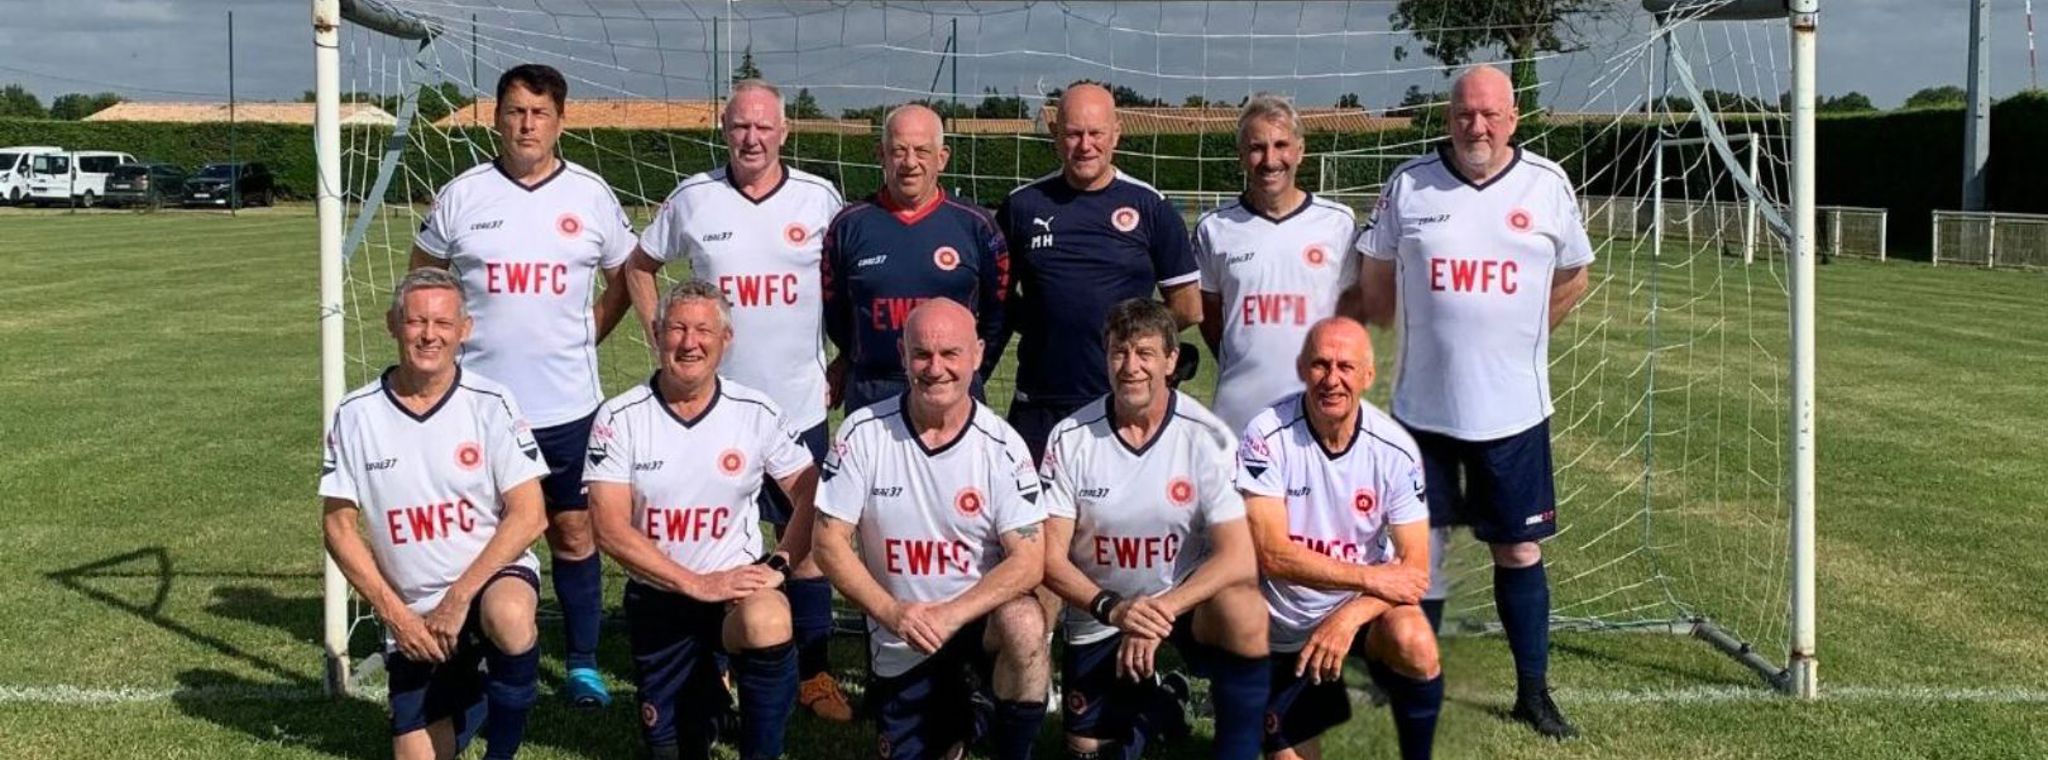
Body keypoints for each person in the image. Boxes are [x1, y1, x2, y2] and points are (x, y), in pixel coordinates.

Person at [1353, 64, 1594, 739]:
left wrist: (1521, 337)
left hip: (1514, 413)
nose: (1476, 126)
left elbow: (1575, 274)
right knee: (1414, 556)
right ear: (1448, 117)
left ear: (1513, 118)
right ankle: (1406, 673)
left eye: (1490, 114)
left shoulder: (1547, 186)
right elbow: (1375, 279)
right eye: (1464, 113)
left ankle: (1534, 693)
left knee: (1517, 551)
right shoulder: (1410, 184)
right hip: (1422, 414)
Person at [624, 78, 853, 722]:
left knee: (802, 546)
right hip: (708, 415)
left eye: (763, 127)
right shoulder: (695, 199)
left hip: (797, 408)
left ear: (784, 132)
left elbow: (850, 283)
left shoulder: (820, 199)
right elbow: (639, 266)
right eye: (739, 127)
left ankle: (811, 673)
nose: (751, 138)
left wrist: (847, 359)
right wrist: (655, 332)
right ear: (724, 130)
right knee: (709, 541)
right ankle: (714, 665)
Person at [409, 63, 634, 707]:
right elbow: (425, 275)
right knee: (480, 534)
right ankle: (474, 649)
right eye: (514, 111)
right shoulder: (463, 195)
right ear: (497, 119)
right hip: (480, 408)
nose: (526, 124)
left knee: (573, 530)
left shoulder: (591, 195)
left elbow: (625, 275)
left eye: (539, 113)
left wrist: (590, 331)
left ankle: (584, 662)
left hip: (568, 405)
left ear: (560, 122)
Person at [587, 280, 822, 760]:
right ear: (656, 333)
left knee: (769, 618)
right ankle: (712, 700)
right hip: (660, 595)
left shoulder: (755, 411)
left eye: (703, 330)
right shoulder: (620, 416)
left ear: (726, 340)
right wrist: (693, 582)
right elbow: (609, 527)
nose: (689, 343)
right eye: (676, 328)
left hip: (734, 593)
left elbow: (812, 491)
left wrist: (779, 564)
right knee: (676, 748)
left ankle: (764, 749)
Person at [320, 268, 548, 760]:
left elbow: (530, 515)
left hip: (488, 582)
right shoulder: (356, 413)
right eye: (416, 321)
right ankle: (478, 691)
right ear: (392, 324)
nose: (429, 335)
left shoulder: (491, 402)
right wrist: (395, 616)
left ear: (464, 330)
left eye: (443, 323)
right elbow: (338, 526)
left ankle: (501, 749)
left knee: (507, 615)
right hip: (415, 614)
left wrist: (460, 597)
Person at [812, 299, 1050, 760]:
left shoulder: (1001, 446)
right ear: (902, 355)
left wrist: (952, 615)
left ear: (978, 354)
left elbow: (1028, 561)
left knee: (1024, 622)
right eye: (922, 354)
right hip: (901, 631)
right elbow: (827, 543)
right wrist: (893, 611)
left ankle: (1007, 743)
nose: (935, 368)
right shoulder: (863, 433)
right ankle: (963, 720)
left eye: (950, 354)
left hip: (974, 627)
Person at [1039, 298, 1271, 760]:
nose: (1131, 367)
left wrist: (1159, 612)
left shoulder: (1208, 437)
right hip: (1101, 607)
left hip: (1183, 604)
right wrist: (1114, 609)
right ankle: (1164, 703)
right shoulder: (1071, 438)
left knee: (1244, 608)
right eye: (1119, 352)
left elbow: (1237, 554)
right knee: (1088, 752)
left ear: (1170, 360)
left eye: (1144, 353)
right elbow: (1048, 555)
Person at [1238, 318, 1441, 760]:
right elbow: (1272, 554)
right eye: (1320, 365)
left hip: (1360, 616)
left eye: (1346, 367)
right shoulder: (1265, 435)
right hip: (1282, 626)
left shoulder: (1396, 450)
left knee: (1416, 641)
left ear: (1368, 376)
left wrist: (1348, 618)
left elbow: (1415, 569)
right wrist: (1370, 579)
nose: (1333, 380)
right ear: (1301, 368)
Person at [998, 82, 1202, 463]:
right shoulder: (1022, 206)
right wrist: (1047, 324)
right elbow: (1000, 300)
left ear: (1116, 134)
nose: (1085, 145)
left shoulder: (1151, 206)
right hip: (1042, 402)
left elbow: (1188, 307)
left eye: (1096, 133)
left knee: (1122, 520)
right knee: (1036, 519)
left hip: (1124, 400)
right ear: (1057, 135)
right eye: (1074, 133)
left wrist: (1132, 338)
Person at [822, 103, 1008, 413]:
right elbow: (835, 310)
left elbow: (998, 313)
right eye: (898, 151)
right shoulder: (849, 225)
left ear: (942, 158)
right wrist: (852, 355)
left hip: (952, 388)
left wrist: (967, 370)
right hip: (874, 390)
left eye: (922, 151)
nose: (910, 163)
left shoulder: (976, 225)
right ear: (881, 155)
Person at [1194, 94, 1363, 435]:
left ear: (1300, 150)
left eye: (1281, 145)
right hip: (1239, 415)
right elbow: (1210, 318)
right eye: (1257, 147)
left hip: (1317, 411)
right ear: (1241, 155)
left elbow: (1350, 316)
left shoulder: (1339, 224)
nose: (1270, 160)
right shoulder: (1214, 227)